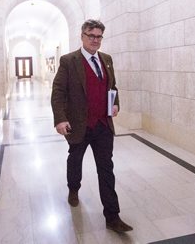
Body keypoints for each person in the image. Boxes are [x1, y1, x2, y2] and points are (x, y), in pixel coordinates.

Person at [51, 19, 133, 234]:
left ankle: (112, 217)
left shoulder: (107, 59)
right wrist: (60, 119)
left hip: (103, 126)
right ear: (82, 36)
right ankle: (73, 189)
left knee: (106, 169)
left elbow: (112, 86)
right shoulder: (69, 61)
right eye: (91, 36)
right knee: (75, 160)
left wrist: (115, 104)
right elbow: (58, 92)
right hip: (79, 125)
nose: (95, 40)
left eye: (99, 36)